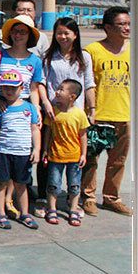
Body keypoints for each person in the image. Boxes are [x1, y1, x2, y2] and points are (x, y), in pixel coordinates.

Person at [37, 17, 95, 217]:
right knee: (50, 156)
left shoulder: (84, 57)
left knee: (75, 157)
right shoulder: (48, 56)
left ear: (75, 35)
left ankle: (73, 202)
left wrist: (92, 109)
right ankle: (46, 199)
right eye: (59, 33)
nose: (62, 37)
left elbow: (89, 83)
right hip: (53, 113)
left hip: (75, 115)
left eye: (66, 33)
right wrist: (45, 103)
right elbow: (41, 82)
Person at [0, 14, 44, 219]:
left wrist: (36, 110)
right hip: (0, 111)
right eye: (15, 30)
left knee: (18, 156)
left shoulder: (35, 60)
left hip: (22, 112)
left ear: (29, 35)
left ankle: (11, 202)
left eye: (23, 31)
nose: (18, 35)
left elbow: (35, 88)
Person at [81, 6, 131, 216]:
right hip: (99, 115)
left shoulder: (135, 50)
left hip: (126, 115)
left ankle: (111, 198)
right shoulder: (92, 51)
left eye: (128, 23)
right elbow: (86, 83)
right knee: (92, 160)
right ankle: (88, 197)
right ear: (108, 28)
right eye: (122, 24)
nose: (127, 28)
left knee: (118, 162)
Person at [0, 70, 41, 230]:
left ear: (21, 88)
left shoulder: (30, 108)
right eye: (5, 88)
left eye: (13, 88)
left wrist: (37, 149)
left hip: (23, 153)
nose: (9, 91)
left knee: (21, 185)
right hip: (4, 151)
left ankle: (25, 213)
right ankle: (1, 213)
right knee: (1, 184)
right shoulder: (2, 109)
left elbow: (34, 129)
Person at [41, 79, 90, 226]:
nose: (57, 92)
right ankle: (52, 208)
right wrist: (45, 150)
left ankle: (73, 209)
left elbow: (83, 135)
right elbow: (48, 132)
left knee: (74, 185)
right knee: (53, 184)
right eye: (58, 88)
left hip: (74, 157)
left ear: (72, 96)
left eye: (62, 89)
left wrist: (83, 154)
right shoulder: (53, 112)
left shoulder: (79, 114)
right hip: (56, 156)